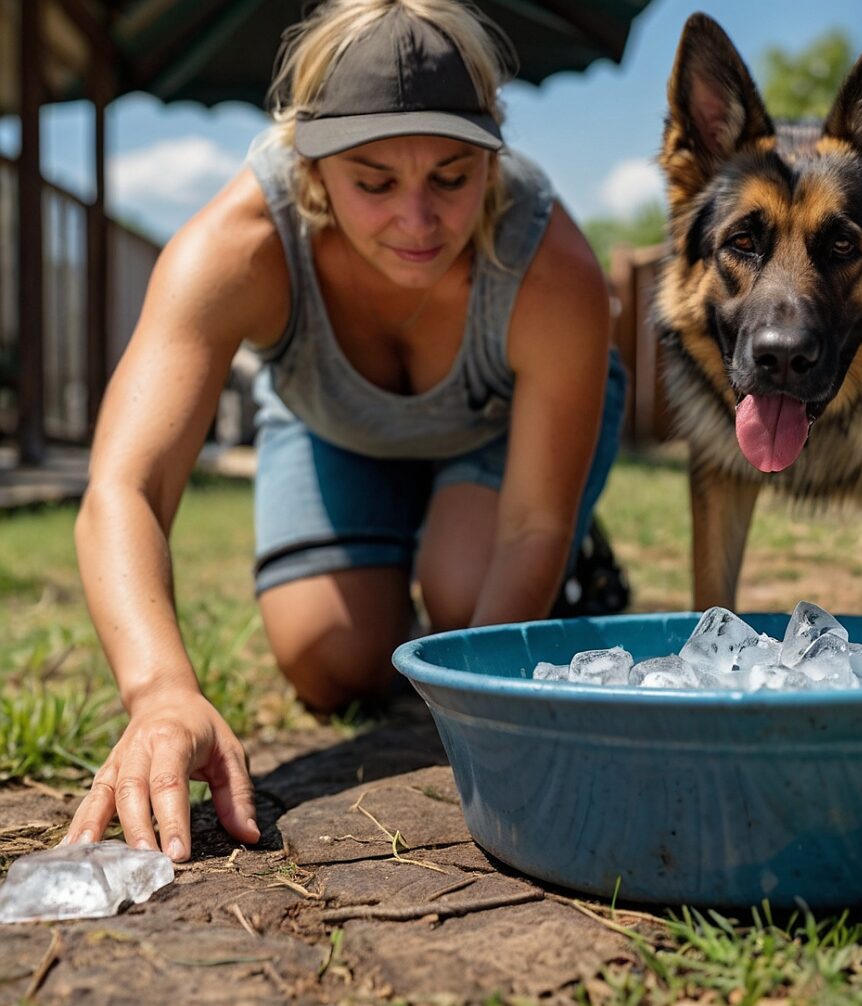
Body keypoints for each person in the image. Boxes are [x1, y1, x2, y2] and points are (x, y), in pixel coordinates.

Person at [66, 0, 625, 863]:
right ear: (311, 168)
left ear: (493, 150)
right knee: (334, 662)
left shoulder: (552, 265)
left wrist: (482, 702)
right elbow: (124, 486)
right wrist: (160, 691)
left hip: (501, 428)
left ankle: (523, 560)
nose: (417, 222)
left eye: (452, 177)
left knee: (460, 614)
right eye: (373, 182)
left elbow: (531, 525)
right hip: (335, 426)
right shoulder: (236, 247)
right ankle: (403, 529)